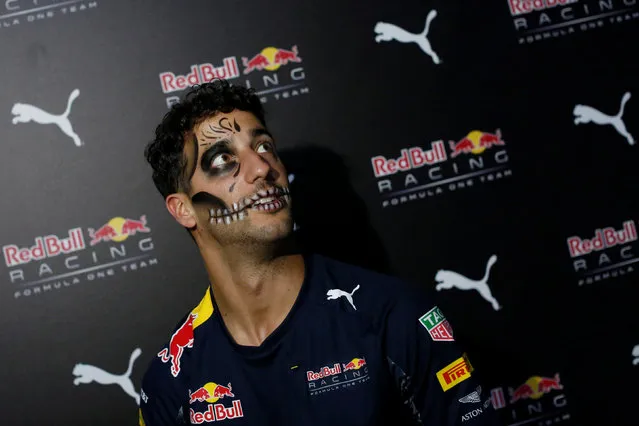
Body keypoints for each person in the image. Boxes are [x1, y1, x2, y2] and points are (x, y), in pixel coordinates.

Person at [139, 79, 503, 426]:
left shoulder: (394, 316)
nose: (262, 168)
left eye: (264, 146)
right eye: (222, 160)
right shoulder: (171, 380)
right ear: (184, 209)